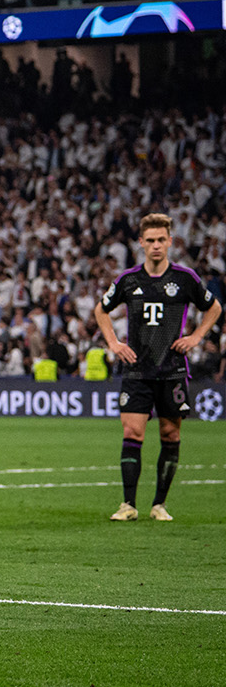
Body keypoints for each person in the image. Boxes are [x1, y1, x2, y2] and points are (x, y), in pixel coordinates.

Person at [92, 213, 220, 521]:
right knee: (132, 431)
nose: (156, 246)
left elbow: (213, 307)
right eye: (150, 240)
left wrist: (196, 337)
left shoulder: (185, 278)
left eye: (161, 240)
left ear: (170, 241)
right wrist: (113, 343)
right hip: (137, 370)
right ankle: (128, 505)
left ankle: (159, 505)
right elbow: (101, 309)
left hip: (172, 370)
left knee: (170, 435)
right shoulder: (129, 279)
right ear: (141, 243)